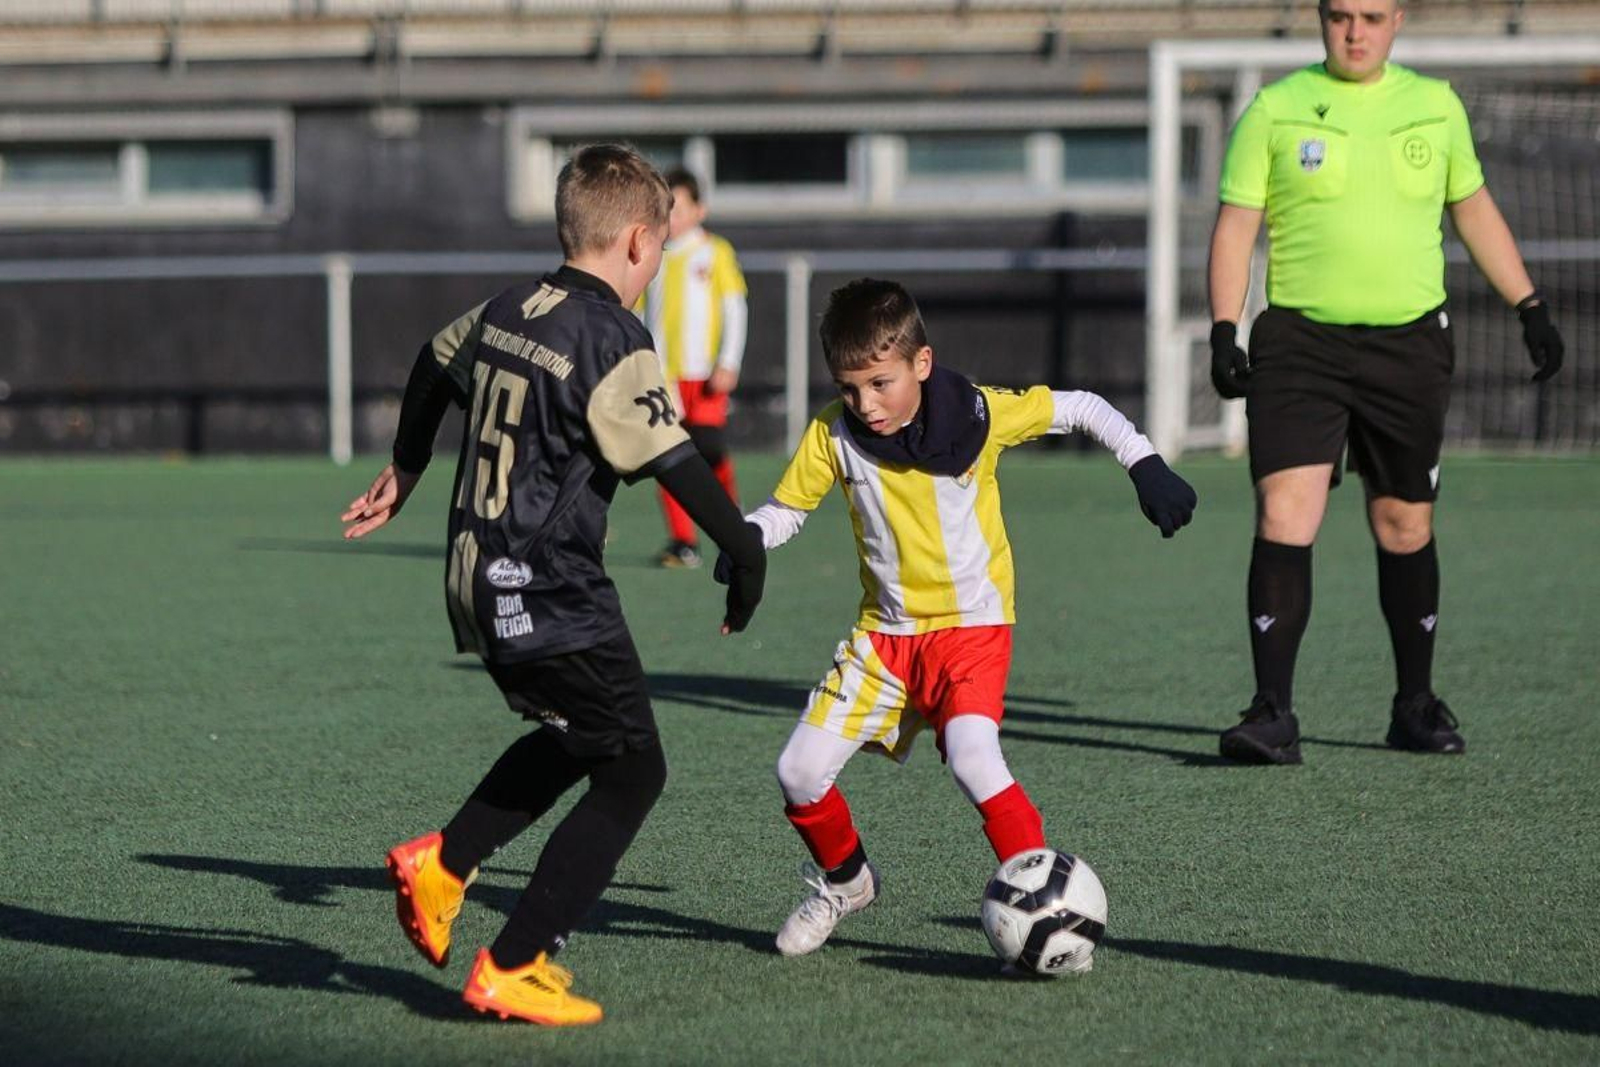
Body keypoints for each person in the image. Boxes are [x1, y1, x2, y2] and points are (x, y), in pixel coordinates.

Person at [339, 144, 765, 1025]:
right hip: (549, 586)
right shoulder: (613, 335)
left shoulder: (511, 305)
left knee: (582, 735)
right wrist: (745, 550)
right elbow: (675, 458)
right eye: (658, 249)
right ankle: (513, 961)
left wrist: (407, 466)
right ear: (640, 241)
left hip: (474, 572)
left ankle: (443, 864)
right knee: (633, 770)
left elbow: (432, 360)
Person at [717, 277, 1196, 960]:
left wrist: (1144, 462)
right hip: (884, 637)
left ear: (922, 362)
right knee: (797, 771)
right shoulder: (833, 433)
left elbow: (1083, 406)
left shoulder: (978, 414)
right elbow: (787, 510)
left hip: (971, 628)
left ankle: (1050, 914)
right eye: (849, 389)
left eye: (880, 383)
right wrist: (746, 539)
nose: (865, 404)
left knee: (974, 758)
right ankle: (847, 884)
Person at [1207, 0, 1565, 765]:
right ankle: (1272, 712)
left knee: (1404, 523)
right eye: (1340, 15)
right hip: (1301, 343)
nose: (1355, 31)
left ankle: (1413, 704)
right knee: (1284, 509)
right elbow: (1237, 224)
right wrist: (1223, 327)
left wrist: (1528, 304)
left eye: (1371, 16)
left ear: (1398, 19)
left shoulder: (1435, 106)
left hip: (1409, 346)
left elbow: (1473, 209)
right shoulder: (1275, 108)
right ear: (1320, 18)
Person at [636, 167, 749, 569]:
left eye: (679, 208)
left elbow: (735, 308)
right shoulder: (652, 254)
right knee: (667, 456)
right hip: (664, 376)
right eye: (665, 208)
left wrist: (728, 361)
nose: (671, 217)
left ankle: (732, 526)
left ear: (700, 210)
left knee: (709, 448)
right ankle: (683, 541)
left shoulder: (715, 251)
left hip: (703, 376)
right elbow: (638, 312)